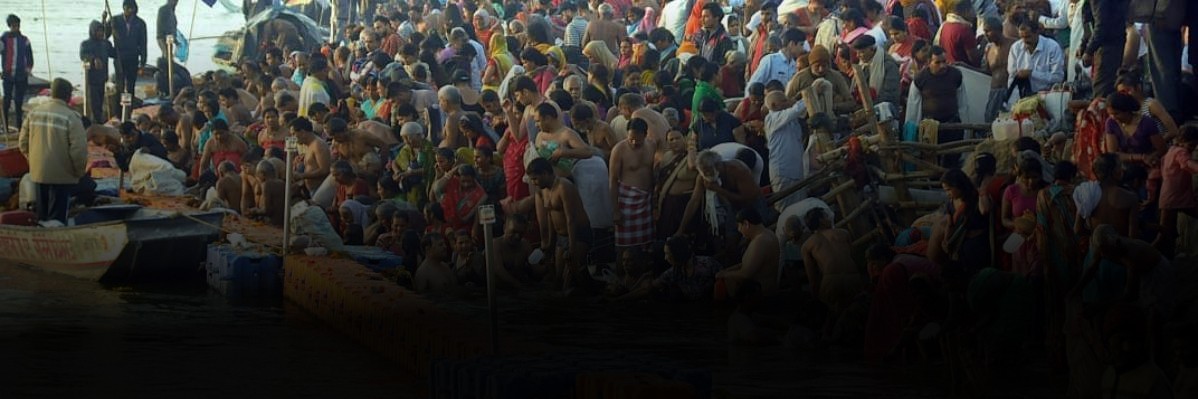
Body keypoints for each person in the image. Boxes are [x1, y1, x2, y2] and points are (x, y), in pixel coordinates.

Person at [18, 79, 86, 224]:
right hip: (62, 176)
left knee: (42, 217)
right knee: (57, 221)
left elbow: (22, 143)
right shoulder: (71, 117)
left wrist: (33, 161)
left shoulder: (34, 113)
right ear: (68, 96)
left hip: (38, 174)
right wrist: (79, 172)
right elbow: (79, 151)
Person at [863, 244, 940, 363]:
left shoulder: (894, 268)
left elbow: (899, 305)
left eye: (873, 263)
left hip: (935, 295)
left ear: (883, 260)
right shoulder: (899, 261)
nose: (871, 267)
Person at [527, 157, 592, 292]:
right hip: (561, 236)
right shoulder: (544, 190)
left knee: (571, 277)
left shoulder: (563, 186)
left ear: (545, 173)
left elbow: (571, 219)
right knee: (558, 278)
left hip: (578, 234)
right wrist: (551, 243)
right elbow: (551, 216)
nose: (533, 183)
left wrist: (572, 248)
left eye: (535, 179)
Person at [801, 207, 864, 338]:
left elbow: (812, 279)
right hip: (853, 277)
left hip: (830, 282)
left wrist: (816, 297)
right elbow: (855, 258)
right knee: (856, 317)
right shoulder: (843, 233)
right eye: (826, 216)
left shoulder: (808, 244)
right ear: (821, 221)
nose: (829, 218)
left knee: (831, 319)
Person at [615, 236, 722, 301]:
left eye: (668, 254)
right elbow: (647, 289)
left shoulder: (707, 264)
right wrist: (620, 299)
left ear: (677, 254)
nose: (665, 258)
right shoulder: (673, 272)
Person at [610, 118, 656, 249]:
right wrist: (615, 210)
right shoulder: (619, 150)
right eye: (631, 139)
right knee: (623, 247)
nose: (634, 142)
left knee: (647, 244)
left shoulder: (651, 145)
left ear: (645, 135)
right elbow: (612, 180)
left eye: (638, 140)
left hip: (646, 200)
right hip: (626, 201)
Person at [715, 208, 780, 299]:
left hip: (761, 295)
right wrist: (727, 270)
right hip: (759, 289)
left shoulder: (760, 242)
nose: (738, 230)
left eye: (739, 226)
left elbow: (745, 274)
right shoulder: (767, 234)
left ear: (746, 224)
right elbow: (751, 264)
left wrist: (725, 274)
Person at [1155, 126, 1198, 256]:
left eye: (1195, 146)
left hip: (1172, 196)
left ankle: (1167, 256)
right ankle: (1147, 253)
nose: (1192, 148)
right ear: (1181, 140)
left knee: (1167, 230)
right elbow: (1186, 163)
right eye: (1191, 145)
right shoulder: (1181, 152)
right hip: (1174, 197)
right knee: (1164, 232)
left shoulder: (1171, 150)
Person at [762, 91, 807, 210]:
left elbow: (800, 112)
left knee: (801, 207)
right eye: (784, 101)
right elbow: (796, 110)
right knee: (785, 209)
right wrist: (809, 94)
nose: (788, 103)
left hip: (796, 170)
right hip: (783, 171)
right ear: (773, 105)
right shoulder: (772, 118)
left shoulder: (789, 119)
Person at [785, 45, 856, 114]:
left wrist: (833, 105)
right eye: (817, 66)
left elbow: (851, 103)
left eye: (824, 66)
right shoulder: (800, 78)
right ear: (811, 65)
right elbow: (788, 103)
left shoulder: (836, 76)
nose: (821, 69)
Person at [1080, 0, 1129, 99]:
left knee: (1102, 93)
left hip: (1108, 47)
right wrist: (1084, 45)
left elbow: (1102, 25)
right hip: (1109, 45)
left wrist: (1089, 50)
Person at [1006, 20, 1064, 101]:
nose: (1024, 41)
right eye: (1021, 37)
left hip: (1046, 97)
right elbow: (1012, 77)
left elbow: (1058, 77)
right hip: (1021, 98)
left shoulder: (1052, 47)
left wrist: (1031, 73)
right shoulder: (1015, 48)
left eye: (1028, 37)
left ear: (1037, 32)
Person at [1115, 73, 1180, 141]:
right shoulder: (1127, 111)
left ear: (1138, 87)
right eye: (1121, 93)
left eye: (1127, 91)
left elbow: (1173, 131)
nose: (1125, 95)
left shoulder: (1151, 104)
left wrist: (1157, 145)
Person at [107, 0, 148, 96]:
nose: (130, 13)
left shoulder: (140, 23)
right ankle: (118, 108)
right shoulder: (115, 20)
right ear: (124, 8)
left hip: (133, 58)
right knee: (119, 85)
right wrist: (105, 22)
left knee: (130, 86)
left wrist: (142, 64)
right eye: (128, 9)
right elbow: (104, 36)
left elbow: (143, 44)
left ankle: (129, 108)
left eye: (132, 10)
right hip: (119, 57)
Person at [1, 15, 33, 130]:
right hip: (8, 75)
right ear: (9, 26)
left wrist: (28, 69)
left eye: (17, 25)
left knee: (19, 102)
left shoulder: (24, 40)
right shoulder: (4, 39)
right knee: (7, 100)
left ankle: (19, 127)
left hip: (21, 76)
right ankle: (5, 126)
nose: (16, 28)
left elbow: (29, 56)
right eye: (13, 26)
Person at [79, 20, 114, 123]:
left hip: (102, 79)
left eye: (102, 31)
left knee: (100, 103)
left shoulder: (105, 44)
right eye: (98, 31)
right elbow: (83, 55)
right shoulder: (86, 44)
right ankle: (96, 122)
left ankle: (99, 121)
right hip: (91, 80)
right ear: (93, 32)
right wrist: (94, 59)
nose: (100, 33)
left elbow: (114, 53)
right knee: (94, 105)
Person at [851, 34, 901, 106]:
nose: (858, 56)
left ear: (872, 49)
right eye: (857, 53)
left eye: (861, 52)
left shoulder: (889, 66)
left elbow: (890, 95)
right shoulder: (862, 66)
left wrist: (869, 106)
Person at [288, 117, 331, 194]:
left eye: (294, 134)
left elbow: (325, 170)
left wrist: (302, 176)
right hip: (310, 189)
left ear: (303, 132)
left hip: (319, 190)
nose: (293, 137)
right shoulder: (309, 145)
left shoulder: (318, 145)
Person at [979, 16, 1010, 121]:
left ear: (998, 30)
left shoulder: (1014, 45)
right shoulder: (988, 49)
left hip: (1011, 91)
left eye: (988, 31)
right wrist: (965, 66)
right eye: (984, 31)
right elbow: (985, 72)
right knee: (989, 121)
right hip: (994, 92)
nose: (985, 34)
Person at [936, 0, 980, 67]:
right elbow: (975, 59)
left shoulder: (945, 25)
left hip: (948, 68)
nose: (974, 14)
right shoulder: (965, 29)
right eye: (972, 10)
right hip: (966, 72)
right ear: (966, 11)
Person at [246, 160, 285, 227]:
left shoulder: (267, 184)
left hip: (272, 224)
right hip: (282, 223)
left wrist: (254, 211)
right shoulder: (282, 183)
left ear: (262, 174)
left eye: (258, 175)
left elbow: (267, 210)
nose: (257, 178)